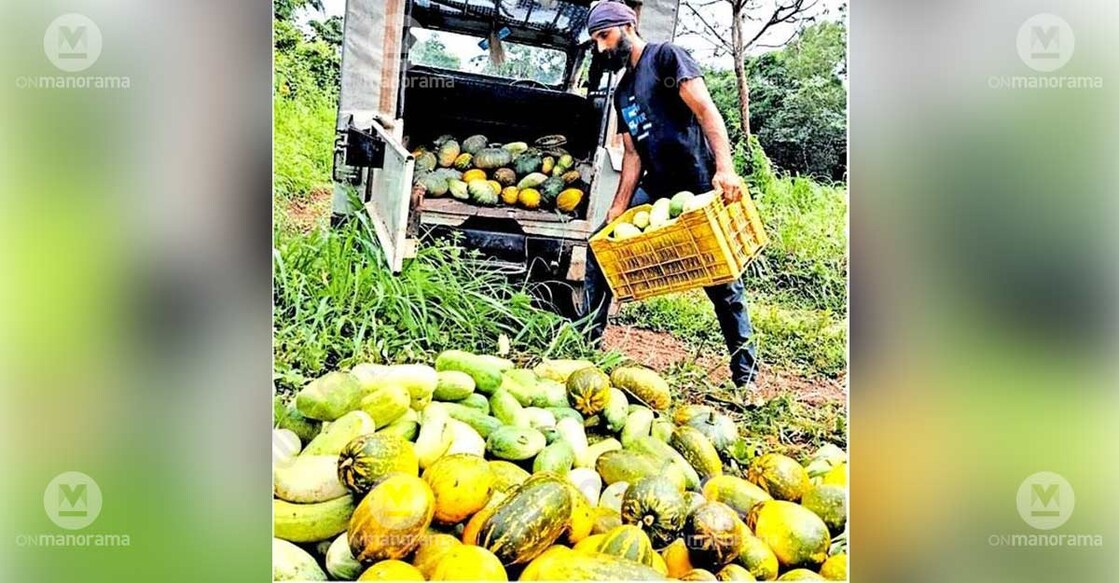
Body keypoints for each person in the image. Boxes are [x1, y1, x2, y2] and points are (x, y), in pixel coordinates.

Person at [582, 0, 759, 389]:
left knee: (723, 282)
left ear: (627, 26)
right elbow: (631, 154)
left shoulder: (667, 59)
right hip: (658, 189)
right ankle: (586, 346)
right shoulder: (623, 91)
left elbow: (707, 113)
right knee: (599, 248)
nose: (601, 48)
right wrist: (617, 208)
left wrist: (724, 170)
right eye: (596, 40)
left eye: (604, 36)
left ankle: (745, 378)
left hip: (698, 184)